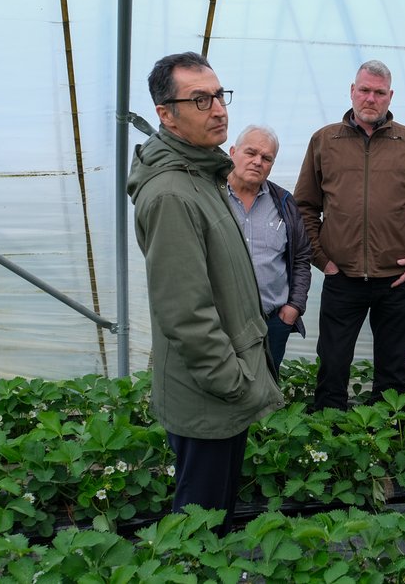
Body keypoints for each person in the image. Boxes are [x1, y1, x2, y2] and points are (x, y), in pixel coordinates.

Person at [127, 52, 284, 536]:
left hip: (219, 385)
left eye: (218, 95)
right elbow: (186, 313)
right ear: (166, 114)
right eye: (200, 99)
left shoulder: (200, 174)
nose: (218, 109)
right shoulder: (173, 192)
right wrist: (232, 381)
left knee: (213, 509)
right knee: (199, 522)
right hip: (209, 391)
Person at [294, 59, 405, 410]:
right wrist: (322, 258)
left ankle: (387, 436)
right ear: (352, 91)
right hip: (342, 275)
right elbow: (304, 206)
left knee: (394, 369)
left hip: (397, 278)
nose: (371, 98)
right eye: (364, 90)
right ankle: (329, 430)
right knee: (332, 362)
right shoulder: (324, 140)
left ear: (390, 96)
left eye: (379, 92)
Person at [226, 124, 312, 372]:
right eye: (250, 153)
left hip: (272, 322)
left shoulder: (283, 201)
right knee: (221, 396)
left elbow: (301, 257)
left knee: (265, 394)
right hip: (221, 324)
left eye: (266, 158)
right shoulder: (212, 197)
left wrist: (293, 308)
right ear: (233, 152)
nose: (257, 162)